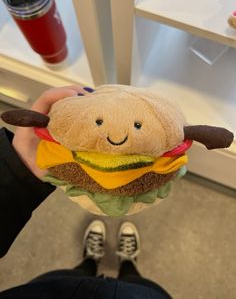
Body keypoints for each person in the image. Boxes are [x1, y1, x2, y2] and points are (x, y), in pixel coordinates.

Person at [0, 86, 172, 299]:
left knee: (76, 274)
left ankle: (92, 260)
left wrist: (15, 171)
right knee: (136, 282)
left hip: (48, 292)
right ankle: (126, 263)